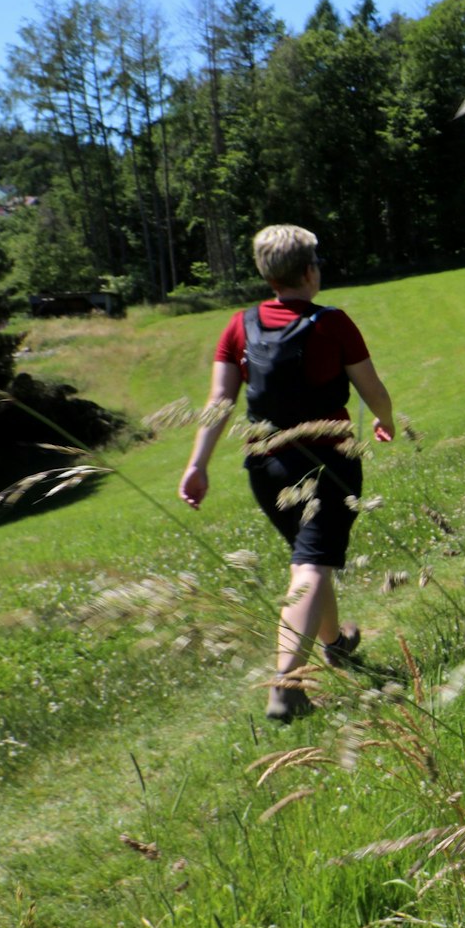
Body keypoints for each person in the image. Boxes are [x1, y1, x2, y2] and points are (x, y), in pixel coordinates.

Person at [177, 225, 396, 722]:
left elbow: (219, 401)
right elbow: (372, 388)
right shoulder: (333, 323)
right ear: (310, 271)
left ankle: (335, 642)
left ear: (267, 274)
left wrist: (197, 464)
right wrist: (384, 420)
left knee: (310, 557)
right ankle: (287, 684)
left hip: (265, 467)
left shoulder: (239, 325)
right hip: (328, 463)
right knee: (313, 565)